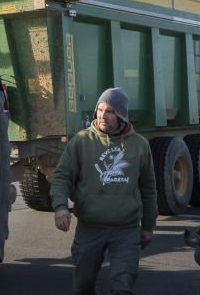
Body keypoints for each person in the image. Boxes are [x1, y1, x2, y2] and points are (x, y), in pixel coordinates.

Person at [51, 87, 157, 295]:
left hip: (125, 229)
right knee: (83, 284)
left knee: (122, 285)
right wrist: (60, 206)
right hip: (90, 226)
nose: (102, 116)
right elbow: (62, 176)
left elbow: (148, 188)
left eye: (109, 111)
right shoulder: (81, 142)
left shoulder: (139, 146)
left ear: (121, 115)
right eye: (100, 110)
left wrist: (148, 225)